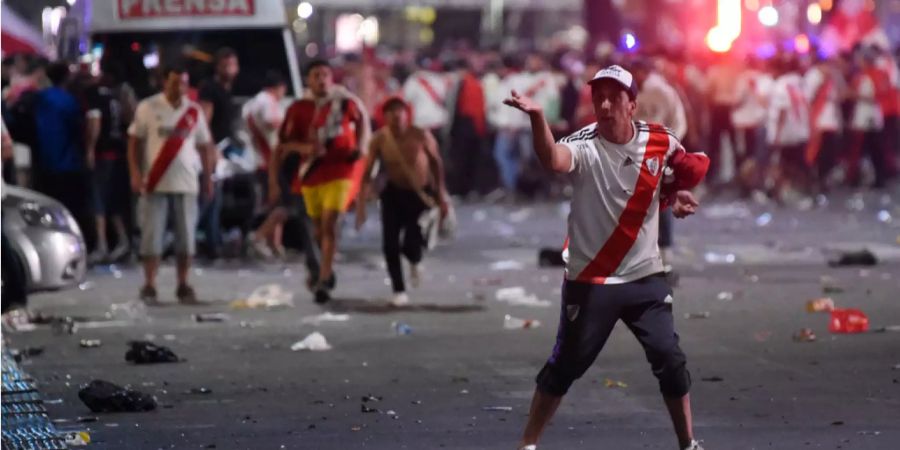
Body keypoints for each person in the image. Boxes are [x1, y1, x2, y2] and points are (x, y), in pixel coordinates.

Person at [503, 65, 708, 450]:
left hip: (644, 276)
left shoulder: (661, 141)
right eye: (599, 97)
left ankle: (688, 443)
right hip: (592, 280)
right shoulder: (585, 144)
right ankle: (528, 443)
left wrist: (673, 196)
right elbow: (554, 160)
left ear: (633, 104)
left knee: (671, 360)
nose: (605, 104)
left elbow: (668, 175)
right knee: (565, 367)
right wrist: (537, 119)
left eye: (614, 97)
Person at [275, 59, 370, 304]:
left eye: (326, 74)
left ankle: (324, 278)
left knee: (330, 222)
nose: (322, 80)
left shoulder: (345, 103)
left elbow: (361, 124)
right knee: (318, 228)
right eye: (316, 75)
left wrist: (359, 147)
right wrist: (305, 148)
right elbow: (285, 143)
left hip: (341, 170)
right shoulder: (298, 108)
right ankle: (324, 266)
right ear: (308, 80)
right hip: (312, 174)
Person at [127, 64, 215, 305]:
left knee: (186, 238)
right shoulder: (148, 107)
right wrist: (135, 173)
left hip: (187, 184)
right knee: (151, 237)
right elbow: (134, 142)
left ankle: (183, 284)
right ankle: (149, 284)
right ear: (164, 82)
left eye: (184, 83)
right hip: (155, 183)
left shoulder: (194, 111)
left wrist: (208, 178)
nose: (180, 88)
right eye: (175, 82)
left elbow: (205, 146)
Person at [355, 97, 449, 306]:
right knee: (389, 243)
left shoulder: (420, 134)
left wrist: (441, 194)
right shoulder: (379, 139)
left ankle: (415, 260)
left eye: (400, 111)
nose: (396, 116)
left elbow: (436, 163)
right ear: (385, 116)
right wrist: (361, 205)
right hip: (393, 193)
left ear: (407, 114)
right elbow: (367, 173)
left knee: (411, 243)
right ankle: (398, 290)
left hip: (420, 194)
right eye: (391, 112)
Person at [633, 59, 688, 281]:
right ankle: (656, 258)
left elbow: (674, 122)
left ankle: (659, 257)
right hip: (649, 153)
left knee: (657, 204)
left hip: (654, 153)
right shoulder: (647, 91)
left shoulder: (658, 91)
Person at [32, 62, 93, 244]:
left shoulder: (39, 99)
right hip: (68, 162)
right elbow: (79, 130)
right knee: (71, 208)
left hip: (45, 162)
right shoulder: (70, 101)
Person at [85, 61, 137, 264]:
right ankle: (123, 241)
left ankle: (102, 244)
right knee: (114, 200)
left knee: (97, 200)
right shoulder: (117, 96)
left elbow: (94, 122)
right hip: (118, 153)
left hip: (103, 154)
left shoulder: (95, 95)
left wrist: (89, 149)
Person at [197, 47, 240, 260]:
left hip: (222, 150)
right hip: (213, 151)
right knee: (207, 196)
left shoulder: (226, 90)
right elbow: (204, 122)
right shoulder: (210, 89)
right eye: (225, 65)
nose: (230, 69)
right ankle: (185, 241)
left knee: (215, 199)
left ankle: (213, 244)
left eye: (232, 65)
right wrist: (211, 150)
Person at [243, 70, 288, 258]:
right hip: (271, 160)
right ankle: (259, 237)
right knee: (285, 204)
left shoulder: (251, 103)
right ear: (280, 88)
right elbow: (272, 123)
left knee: (274, 204)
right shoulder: (268, 102)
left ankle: (274, 244)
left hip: (258, 160)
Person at [731, 57, 773, 197]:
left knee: (744, 155)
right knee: (756, 156)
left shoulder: (742, 79)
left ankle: (745, 186)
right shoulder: (763, 79)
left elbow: (737, 99)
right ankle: (756, 183)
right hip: (758, 121)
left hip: (743, 122)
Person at [803, 55, 844, 193]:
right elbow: (808, 100)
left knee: (829, 153)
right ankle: (816, 180)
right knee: (817, 153)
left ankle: (825, 178)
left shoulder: (831, 78)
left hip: (830, 122)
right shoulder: (813, 77)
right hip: (818, 122)